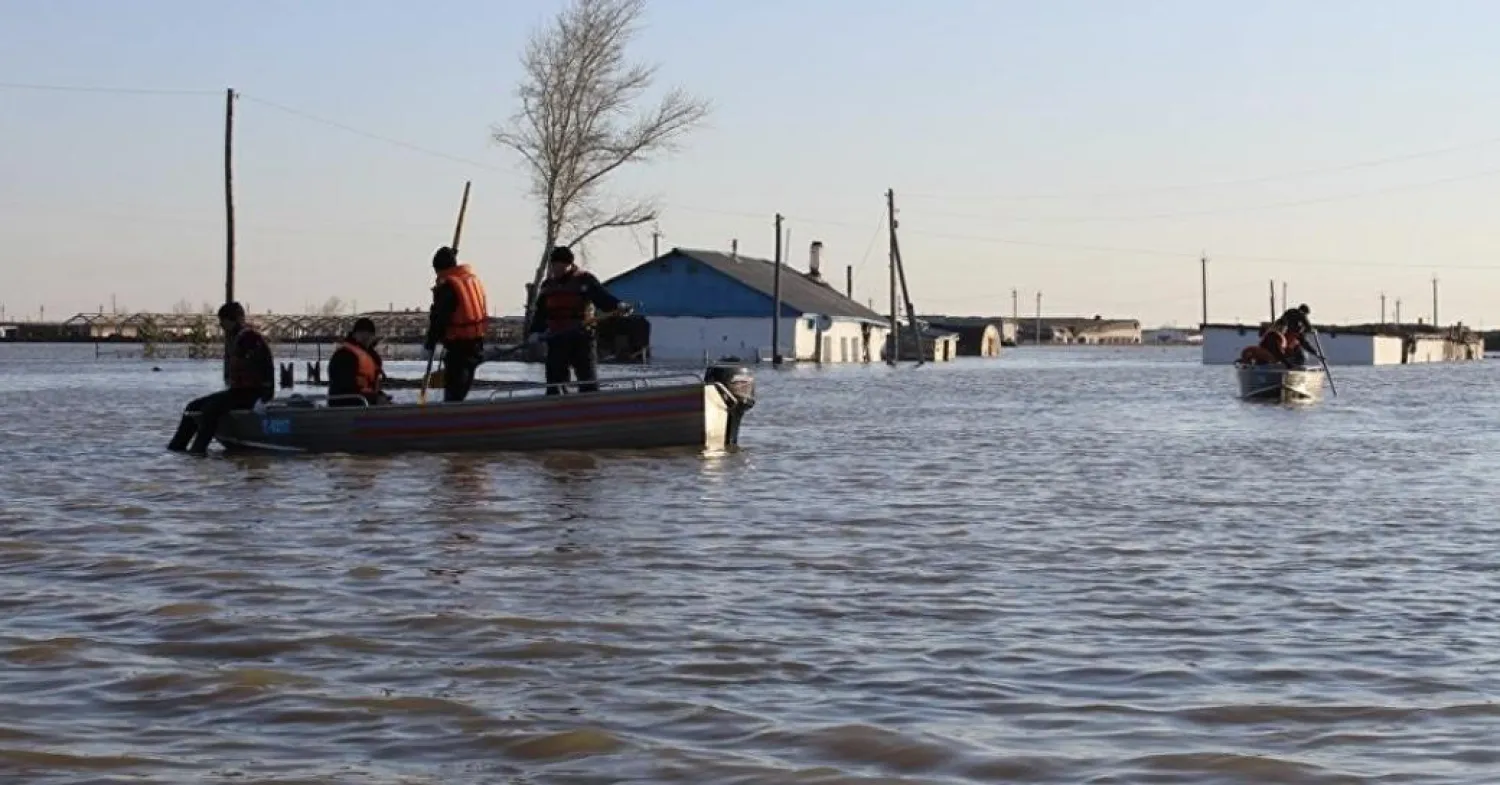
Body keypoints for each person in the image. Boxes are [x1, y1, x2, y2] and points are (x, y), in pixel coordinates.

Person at [167, 302, 274, 455]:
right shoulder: (238, 338)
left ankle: (198, 450)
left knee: (211, 409)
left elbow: (264, 368)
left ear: (233, 320)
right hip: (239, 391)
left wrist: (265, 395)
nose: (222, 327)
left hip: (253, 393)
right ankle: (177, 448)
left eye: (223, 322)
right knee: (192, 407)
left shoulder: (250, 339)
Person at [526, 246, 631, 395]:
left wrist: (618, 305)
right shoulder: (547, 286)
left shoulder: (585, 280)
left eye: (561, 266)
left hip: (581, 337)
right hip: (557, 338)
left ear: (569, 265)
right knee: (554, 381)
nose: (557, 270)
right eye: (554, 266)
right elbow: (541, 313)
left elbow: (602, 298)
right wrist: (535, 332)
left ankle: (590, 407)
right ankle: (555, 407)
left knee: (587, 380)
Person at [422, 246, 489, 402]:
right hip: (476, 345)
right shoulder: (470, 279)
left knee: (455, 391)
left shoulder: (448, 287)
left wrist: (430, 343)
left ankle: (450, 416)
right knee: (461, 388)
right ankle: (455, 412)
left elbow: (439, 318)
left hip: (458, 348)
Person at [327, 317, 392, 407]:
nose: (365, 337)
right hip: (346, 403)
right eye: (361, 333)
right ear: (354, 334)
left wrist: (379, 395)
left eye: (369, 334)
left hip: (366, 402)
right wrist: (373, 398)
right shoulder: (344, 355)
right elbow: (344, 386)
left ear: (373, 337)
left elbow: (372, 386)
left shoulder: (372, 356)